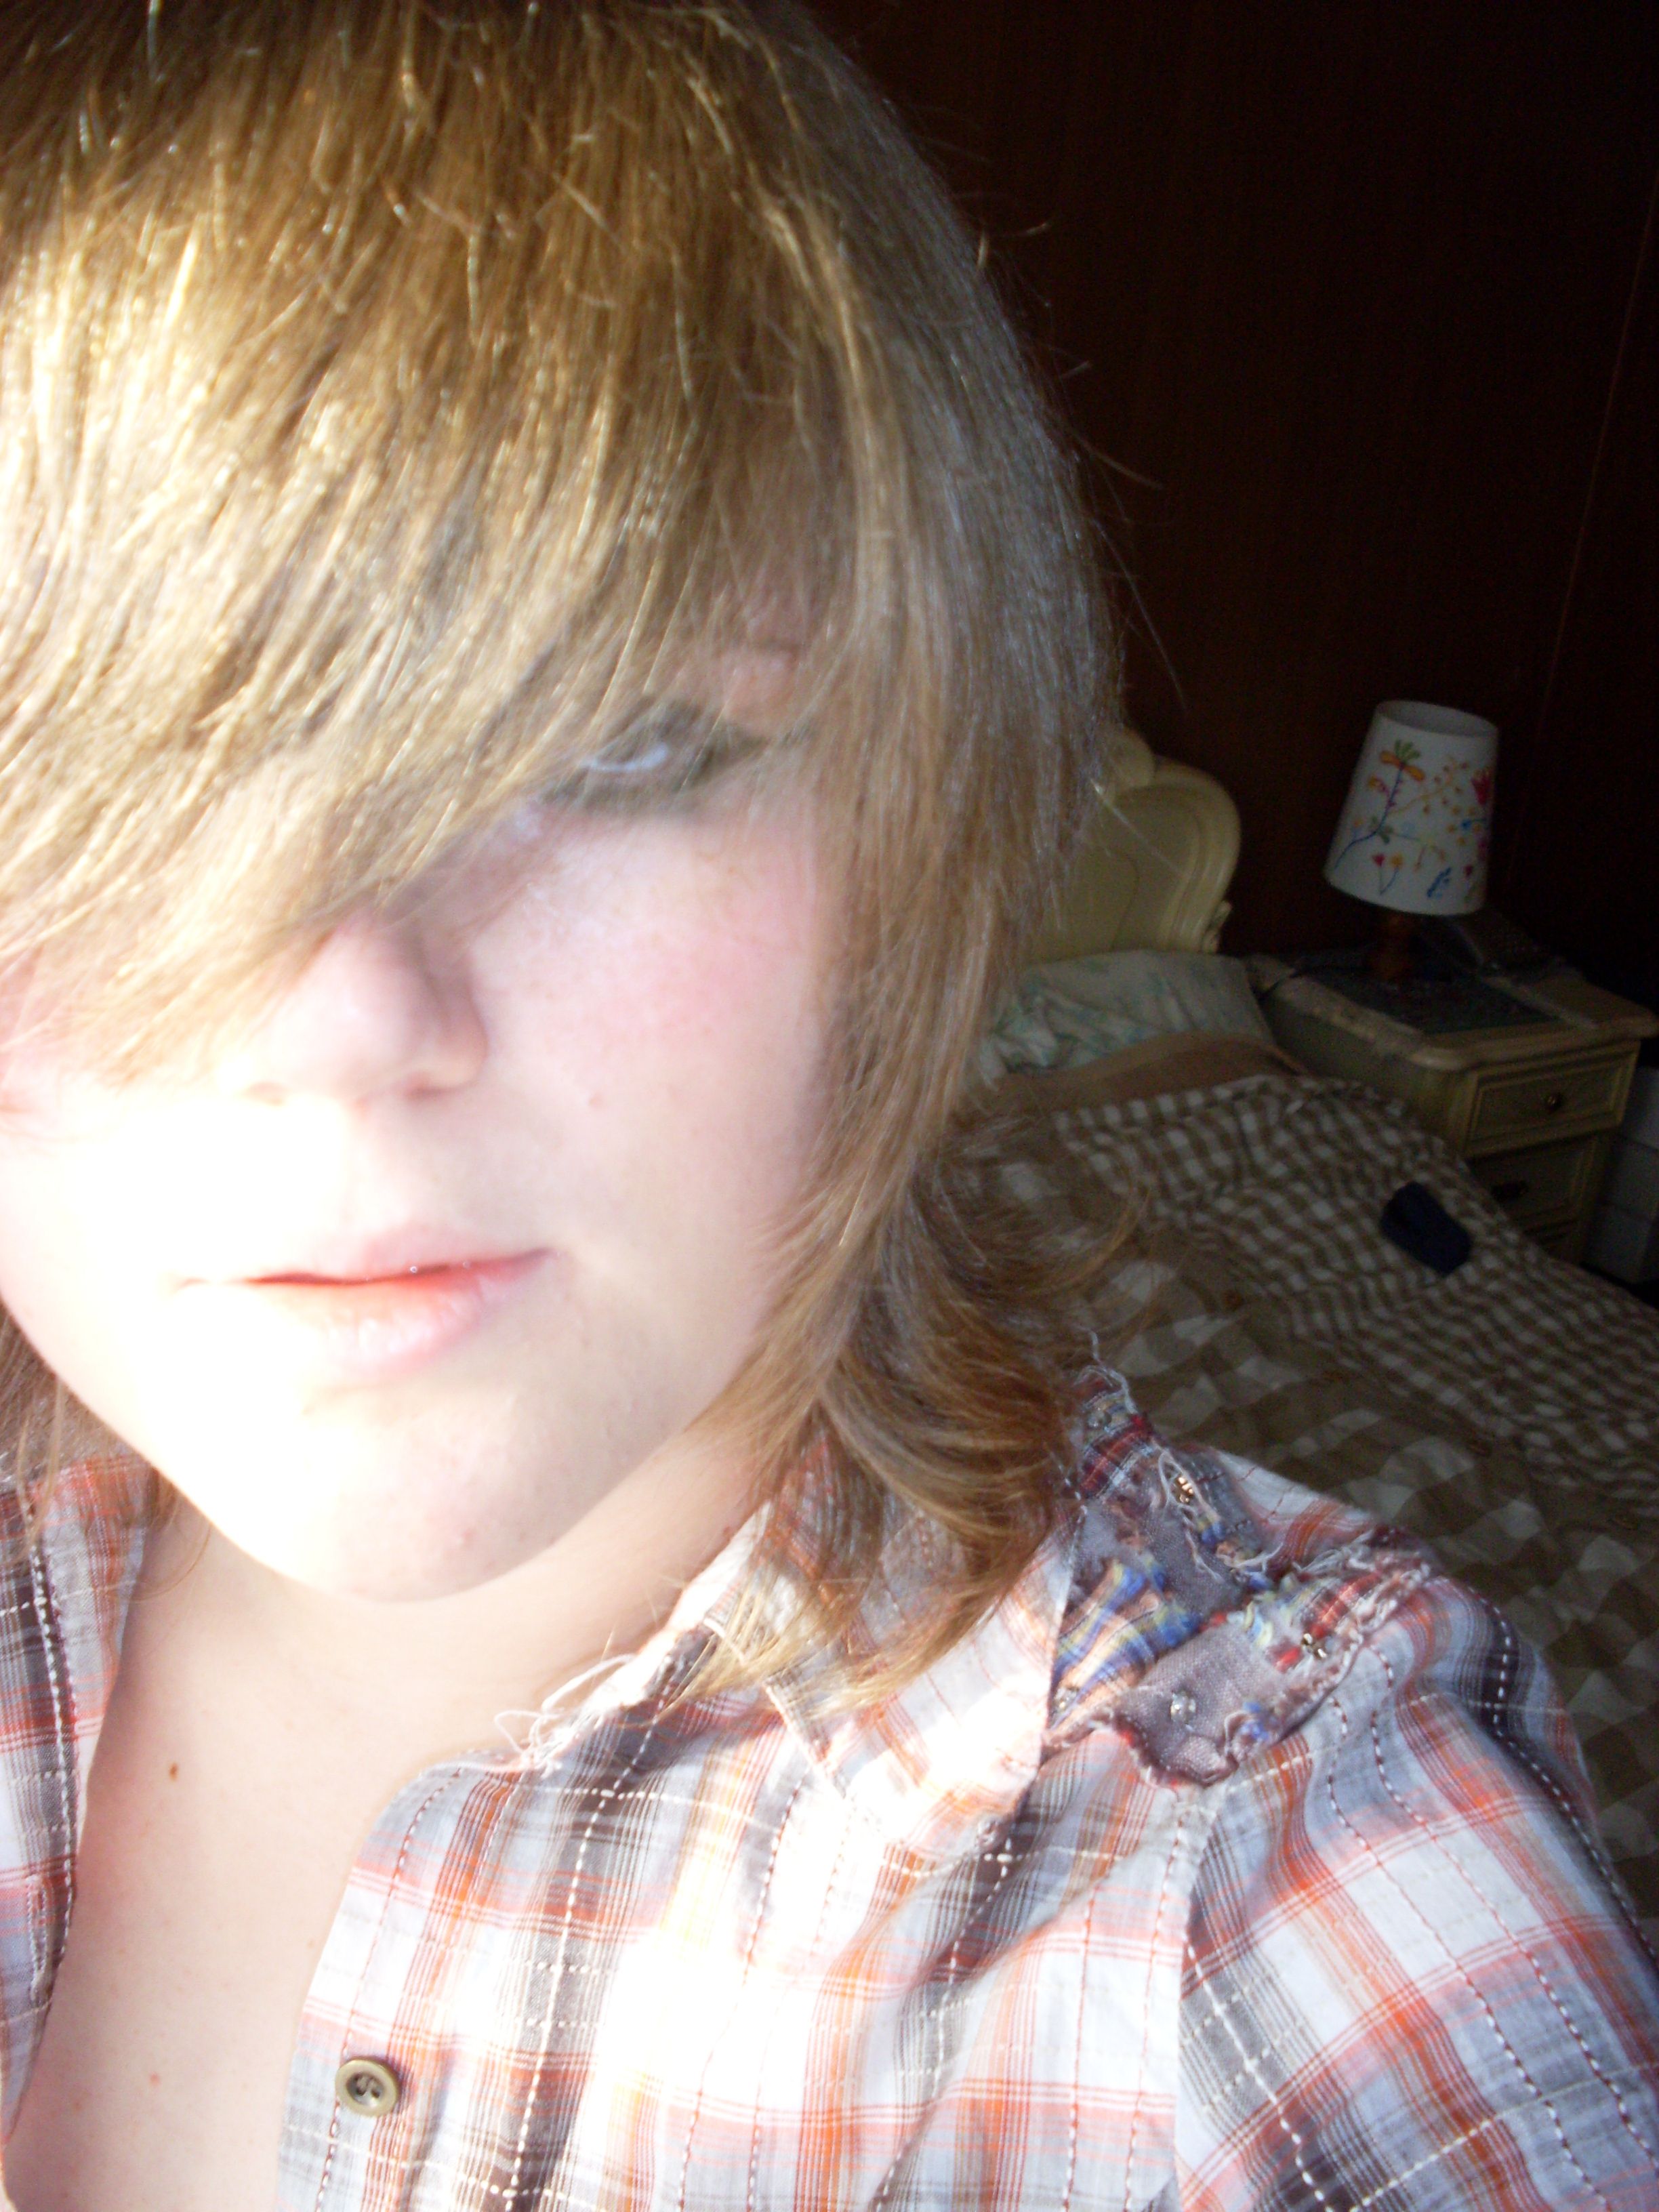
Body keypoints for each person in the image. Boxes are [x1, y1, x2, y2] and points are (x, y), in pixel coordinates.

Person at [0, 2, 1649, 2205]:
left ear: (921, 838)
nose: (328, 1018)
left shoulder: (1265, 1871)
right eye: (86, 767)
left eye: (614, 748)